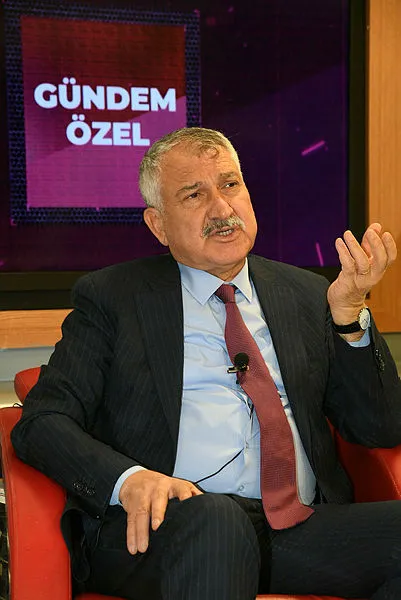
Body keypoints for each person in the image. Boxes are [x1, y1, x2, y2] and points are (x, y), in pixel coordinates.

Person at [11, 127, 401, 600]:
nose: (221, 209)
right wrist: (128, 481)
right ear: (158, 224)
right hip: (163, 530)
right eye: (194, 195)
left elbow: (380, 428)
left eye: (230, 185)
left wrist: (349, 317)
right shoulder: (114, 298)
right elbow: (41, 422)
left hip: (296, 525)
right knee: (218, 522)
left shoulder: (306, 293)